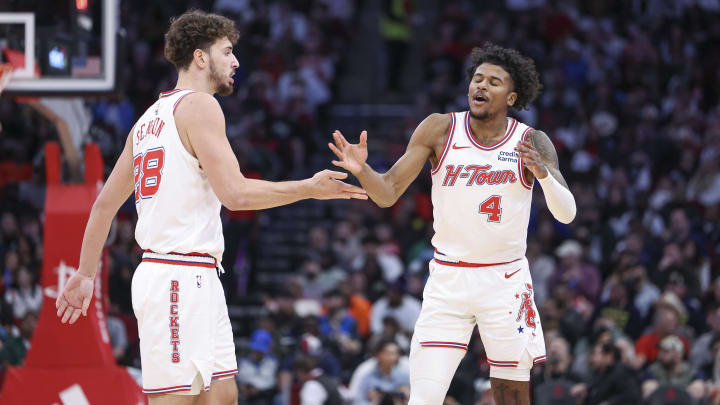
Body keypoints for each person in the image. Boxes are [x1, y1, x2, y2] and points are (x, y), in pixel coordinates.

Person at [54, 10, 366, 405]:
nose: (236, 62)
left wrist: (85, 273)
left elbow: (102, 206)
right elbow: (234, 195)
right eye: (228, 51)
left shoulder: (147, 119)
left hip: (196, 276)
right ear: (201, 57)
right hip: (175, 276)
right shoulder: (201, 106)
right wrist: (308, 187)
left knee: (222, 397)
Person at [329, 42, 576, 404]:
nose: (481, 86)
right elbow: (387, 194)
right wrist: (362, 169)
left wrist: (542, 174)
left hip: (505, 281)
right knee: (423, 398)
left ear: (512, 96)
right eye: (477, 79)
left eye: (494, 81)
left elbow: (567, 213)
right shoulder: (439, 129)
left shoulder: (530, 141)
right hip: (448, 279)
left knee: (511, 397)